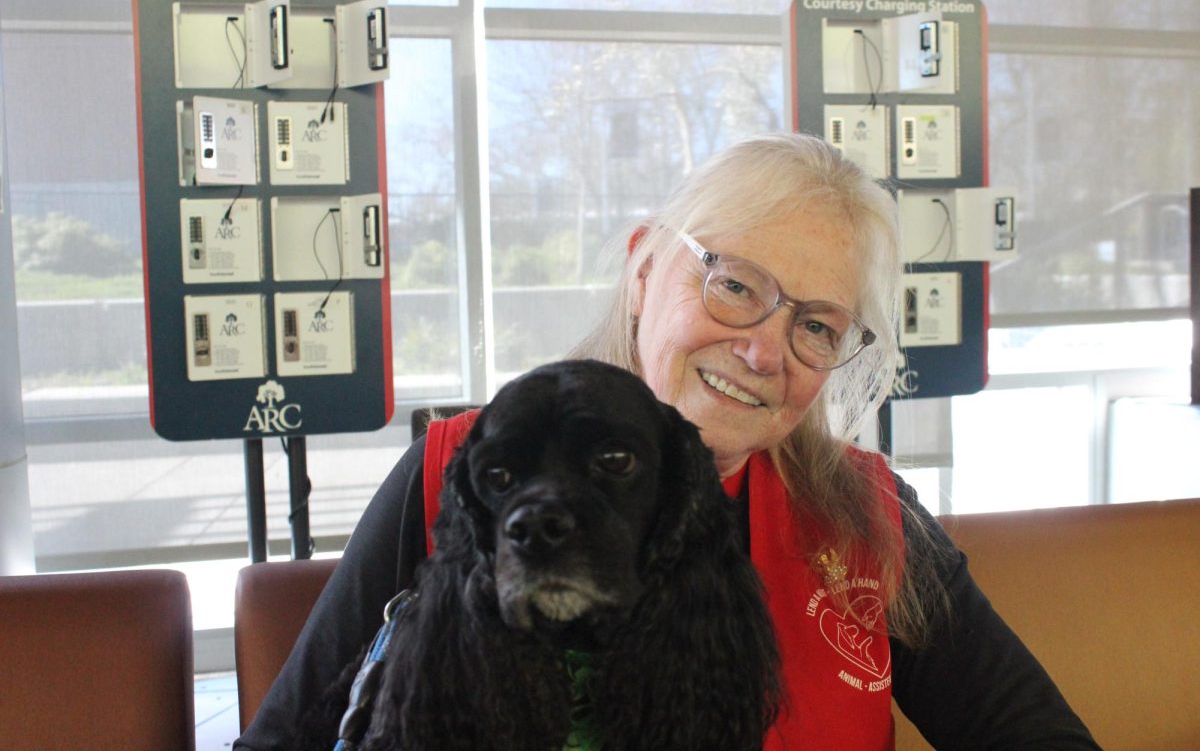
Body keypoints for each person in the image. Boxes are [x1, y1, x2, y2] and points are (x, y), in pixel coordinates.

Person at [235, 133, 1097, 750]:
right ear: (645, 271)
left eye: (818, 326)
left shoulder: (866, 517)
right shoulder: (457, 472)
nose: (763, 350)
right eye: (733, 285)